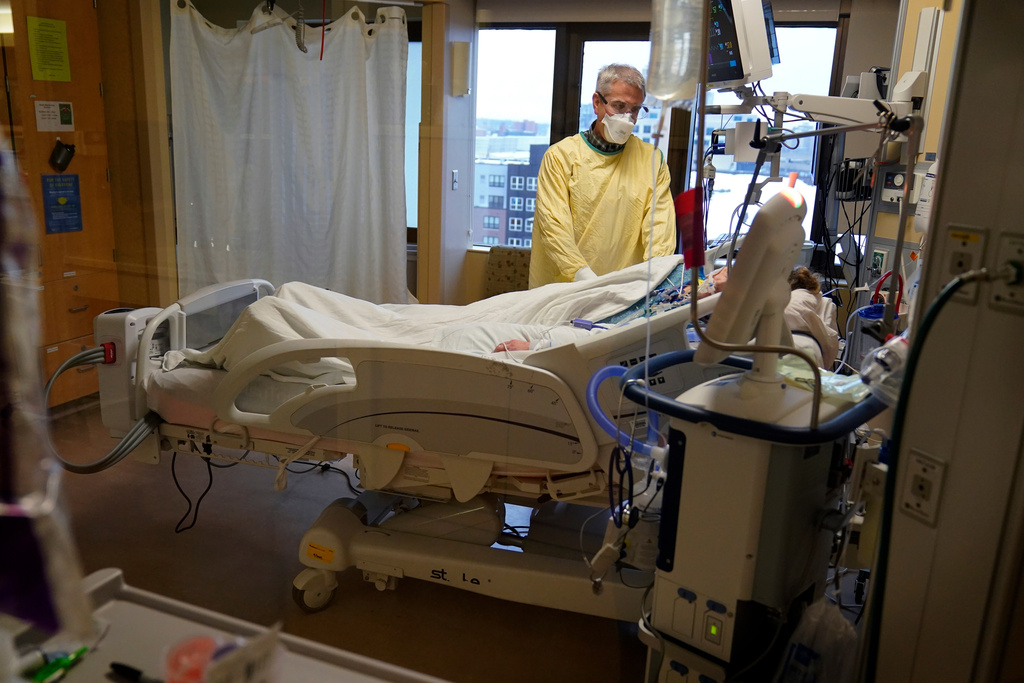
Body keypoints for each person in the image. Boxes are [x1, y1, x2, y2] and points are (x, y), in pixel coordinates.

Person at [528, 64, 676, 288]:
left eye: (635, 110)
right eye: (619, 106)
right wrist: (588, 282)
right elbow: (554, 227)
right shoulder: (561, 157)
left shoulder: (652, 160)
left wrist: (654, 278)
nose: (628, 118)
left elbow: (661, 230)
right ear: (597, 103)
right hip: (565, 288)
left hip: (624, 292)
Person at [784, 266, 840, 369]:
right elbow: (830, 343)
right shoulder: (819, 301)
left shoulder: (789, 297)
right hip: (805, 348)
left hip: (779, 342)